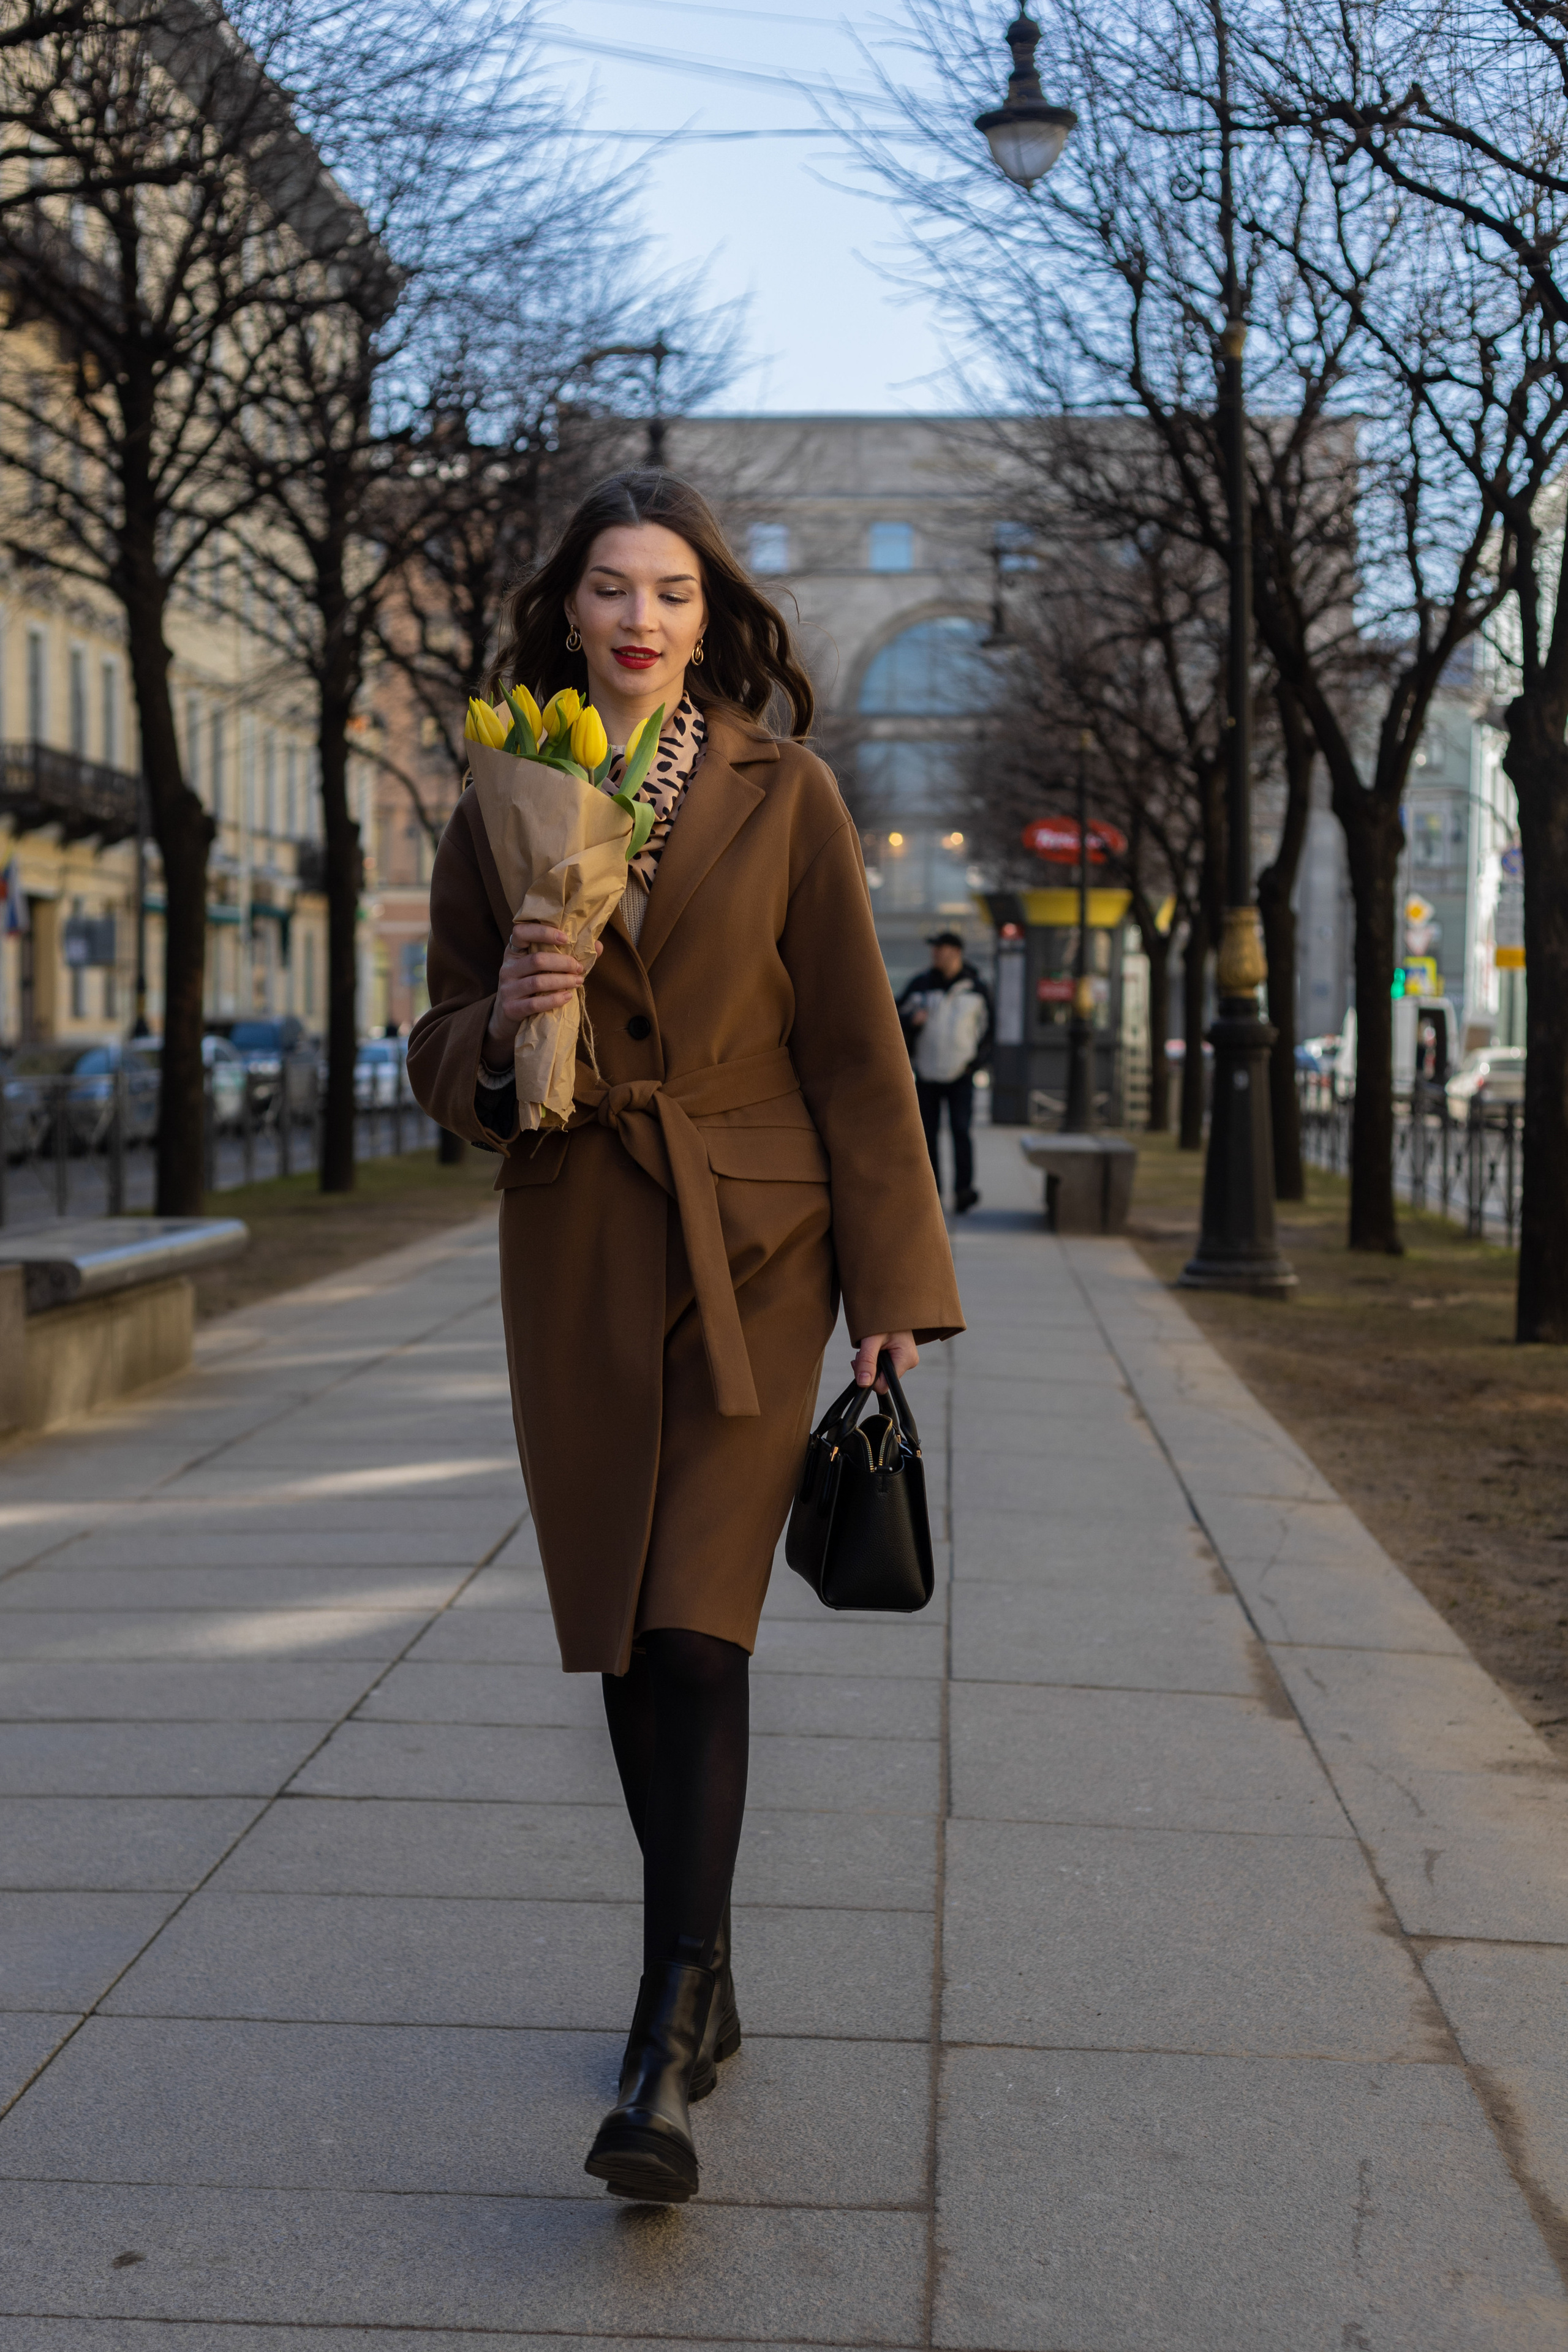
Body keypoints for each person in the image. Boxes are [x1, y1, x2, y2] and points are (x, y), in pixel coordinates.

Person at [407, 469, 963, 2209]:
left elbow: (859, 1052)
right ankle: (702, 1973)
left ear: (707, 613)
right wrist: (499, 1026)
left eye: (667, 590)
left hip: (757, 1240)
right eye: (608, 588)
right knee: (625, 1639)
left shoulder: (785, 791)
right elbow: (434, 1040)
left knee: (700, 1629)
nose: (637, 617)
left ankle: (664, 2026)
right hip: (577, 1229)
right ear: (566, 611)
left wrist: (892, 1294)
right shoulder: (503, 794)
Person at [897, 930, 993, 1215]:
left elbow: (990, 1030)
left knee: (961, 1131)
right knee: (927, 1135)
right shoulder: (921, 985)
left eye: (940, 949)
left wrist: (975, 1064)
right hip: (926, 1073)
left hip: (961, 1074)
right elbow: (894, 1016)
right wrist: (911, 1021)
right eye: (934, 949)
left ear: (956, 953)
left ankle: (964, 1191)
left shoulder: (976, 988)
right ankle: (932, 1191)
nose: (935, 954)